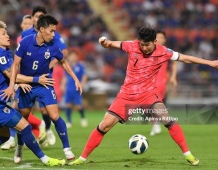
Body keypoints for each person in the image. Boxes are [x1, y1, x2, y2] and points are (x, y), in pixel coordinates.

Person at [69, 25, 218, 166]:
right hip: (126, 96)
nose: (144, 48)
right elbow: (111, 44)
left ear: (155, 41)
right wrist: (104, 42)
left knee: (168, 120)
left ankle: (188, 155)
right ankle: (82, 158)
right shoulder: (132, 45)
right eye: (142, 44)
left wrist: (210, 63)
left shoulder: (164, 51)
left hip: (148, 96)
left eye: (147, 44)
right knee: (104, 125)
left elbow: (185, 58)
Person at [0, 21, 65, 167]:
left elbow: (11, 76)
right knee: (25, 126)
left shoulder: (4, 52)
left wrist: (18, 84)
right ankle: (45, 159)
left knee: (4, 136)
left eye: (6, 32)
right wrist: (36, 79)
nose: (7, 35)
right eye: (3, 33)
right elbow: (12, 74)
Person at [7, 14, 82, 162]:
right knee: (24, 119)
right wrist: (13, 85)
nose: (53, 34)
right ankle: (20, 146)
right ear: (41, 29)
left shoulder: (53, 44)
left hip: (45, 84)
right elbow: (15, 65)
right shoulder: (25, 42)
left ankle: (67, 149)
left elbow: (63, 61)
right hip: (27, 86)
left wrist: (75, 78)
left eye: (54, 31)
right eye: (51, 31)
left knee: (54, 115)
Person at [21, 6, 68, 146]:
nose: (38, 18)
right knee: (21, 109)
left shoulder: (53, 34)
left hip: (45, 78)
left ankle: (47, 129)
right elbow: (21, 55)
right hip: (28, 78)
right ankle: (17, 139)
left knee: (44, 109)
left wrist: (50, 63)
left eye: (41, 16)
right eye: (36, 16)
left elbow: (63, 54)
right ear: (33, 18)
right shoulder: (25, 35)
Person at [1, 14, 47, 150]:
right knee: (17, 110)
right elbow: (16, 63)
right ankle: (36, 131)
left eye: (29, 24)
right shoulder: (21, 40)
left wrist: (18, 81)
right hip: (18, 79)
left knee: (14, 109)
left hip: (21, 79)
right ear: (21, 25)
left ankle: (14, 137)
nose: (27, 26)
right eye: (25, 23)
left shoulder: (34, 39)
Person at [149, 30, 178, 136]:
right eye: (157, 37)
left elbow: (175, 62)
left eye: (161, 37)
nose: (159, 39)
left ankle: (157, 125)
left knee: (156, 104)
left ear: (164, 40)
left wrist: (173, 77)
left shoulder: (166, 51)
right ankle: (156, 125)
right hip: (149, 82)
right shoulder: (148, 49)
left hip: (161, 82)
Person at [62, 50, 88, 128]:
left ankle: (83, 118)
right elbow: (65, 77)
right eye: (71, 56)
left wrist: (82, 84)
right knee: (68, 105)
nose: (73, 57)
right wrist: (63, 85)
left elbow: (84, 76)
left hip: (76, 88)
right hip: (69, 88)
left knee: (78, 106)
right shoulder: (68, 65)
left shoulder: (80, 66)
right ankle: (69, 121)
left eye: (74, 56)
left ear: (77, 57)